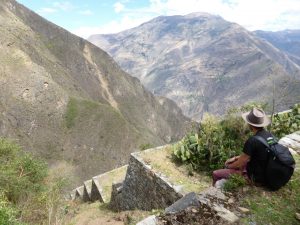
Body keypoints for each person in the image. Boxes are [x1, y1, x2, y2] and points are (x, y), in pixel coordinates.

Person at [212, 107, 272, 186]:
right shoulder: (270, 136)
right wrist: (236, 158)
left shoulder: (252, 141)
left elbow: (239, 164)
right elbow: (259, 154)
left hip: (255, 177)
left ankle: (214, 191)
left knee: (215, 173)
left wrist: (227, 166)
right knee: (237, 163)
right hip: (266, 173)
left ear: (250, 124)